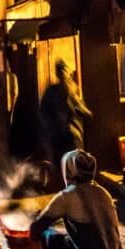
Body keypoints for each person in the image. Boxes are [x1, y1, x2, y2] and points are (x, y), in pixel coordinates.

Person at [30, 149, 125, 249]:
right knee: (99, 241)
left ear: (68, 171)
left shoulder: (67, 196)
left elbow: (38, 226)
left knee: (50, 237)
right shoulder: (103, 193)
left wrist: (31, 226)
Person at [40, 59, 92, 191]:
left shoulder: (62, 90)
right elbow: (44, 113)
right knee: (66, 166)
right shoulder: (61, 91)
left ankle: (67, 193)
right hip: (63, 136)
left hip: (63, 136)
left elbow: (79, 107)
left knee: (66, 166)